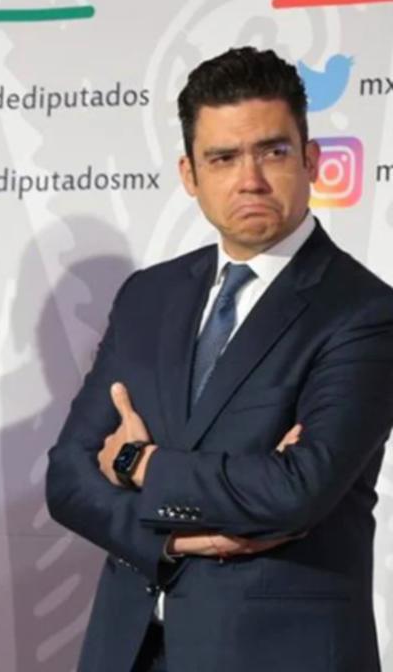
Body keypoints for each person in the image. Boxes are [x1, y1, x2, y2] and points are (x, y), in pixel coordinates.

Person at [46, 47, 393, 671]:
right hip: (128, 651)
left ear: (311, 160)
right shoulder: (148, 296)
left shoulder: (363, 311)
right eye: (223, 158)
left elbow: (297, 489)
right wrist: (172, 543)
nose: (250, 179)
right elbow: (68, 477)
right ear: (190, 174)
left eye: (273, 152)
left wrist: (136, 462)